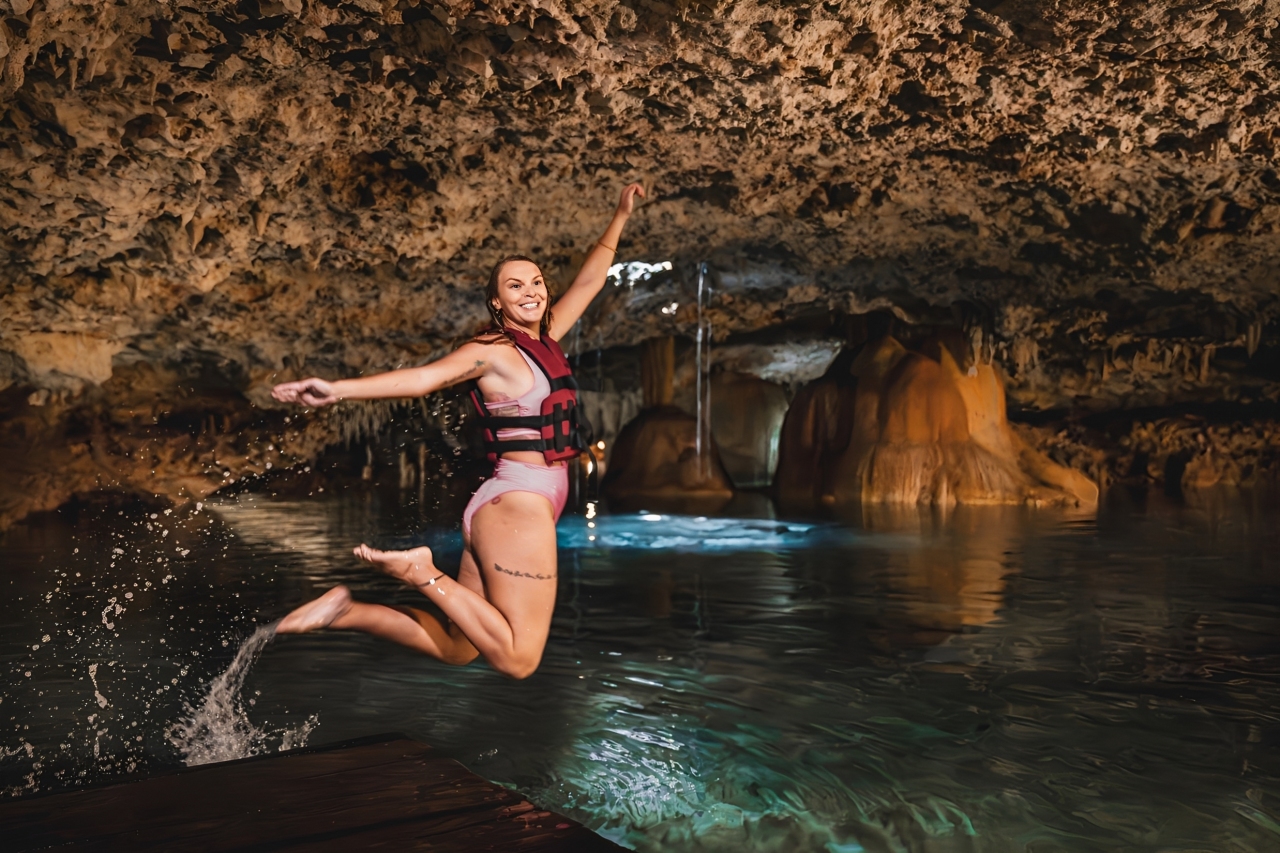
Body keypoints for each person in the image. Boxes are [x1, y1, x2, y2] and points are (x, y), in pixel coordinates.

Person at [269, 182, 645, 679]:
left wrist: (620, 215)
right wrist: (337, 389)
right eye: (515, 286)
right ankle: (421, 571)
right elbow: (424, 379)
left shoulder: (546, 340)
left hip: (508, 504)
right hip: (518, 505)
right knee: (518, 660)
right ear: (497, 302)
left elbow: (591, 281)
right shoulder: (491, 352)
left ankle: (346, 611)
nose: (530, 291)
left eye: (536, 282)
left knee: (458, 647)